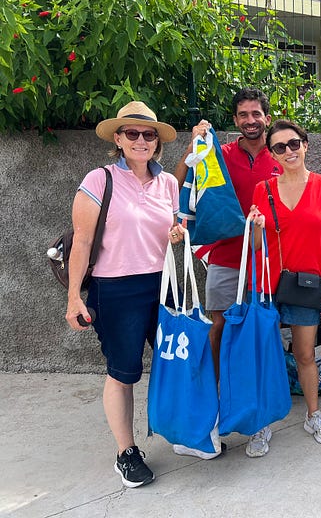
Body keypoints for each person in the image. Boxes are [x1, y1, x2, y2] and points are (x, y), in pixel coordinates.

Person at [65, 101, 180, 488]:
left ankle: (184, 432)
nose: (141, 140)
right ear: (118, 138)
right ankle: (126, 452)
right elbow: (81, 242)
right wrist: (73, 299)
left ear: (157, 142)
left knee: (174, 363)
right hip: (115, 289)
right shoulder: (99, 180)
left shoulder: (168, 183)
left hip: (163, 286)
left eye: (148, 134)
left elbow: (173, 234)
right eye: (132, 133)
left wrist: (178, 236)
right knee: (123, 372)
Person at [174, 87, 281, 458]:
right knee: (218, 330)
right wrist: (193, 148)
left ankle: (259, 416)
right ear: (235, 120)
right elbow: (183, 187)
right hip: (224, 258)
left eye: (256, 114)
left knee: (257, 334)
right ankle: (218, 405)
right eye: (243, 115)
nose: (250, 120)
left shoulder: (282, 154)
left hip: (267, 262)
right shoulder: (218, 153)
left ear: (266, 117)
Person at [249, 120, 321, 445]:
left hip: (308, 284)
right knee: (266, 354)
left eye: (293, 144)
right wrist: (256, 226)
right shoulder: (263, 190)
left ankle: (313, 415)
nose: (288, 151)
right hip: (269, 285)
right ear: (272, 155)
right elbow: (256, 246)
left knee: (305, 354)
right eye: (280, 147)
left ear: (305, 145)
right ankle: (263, 423)